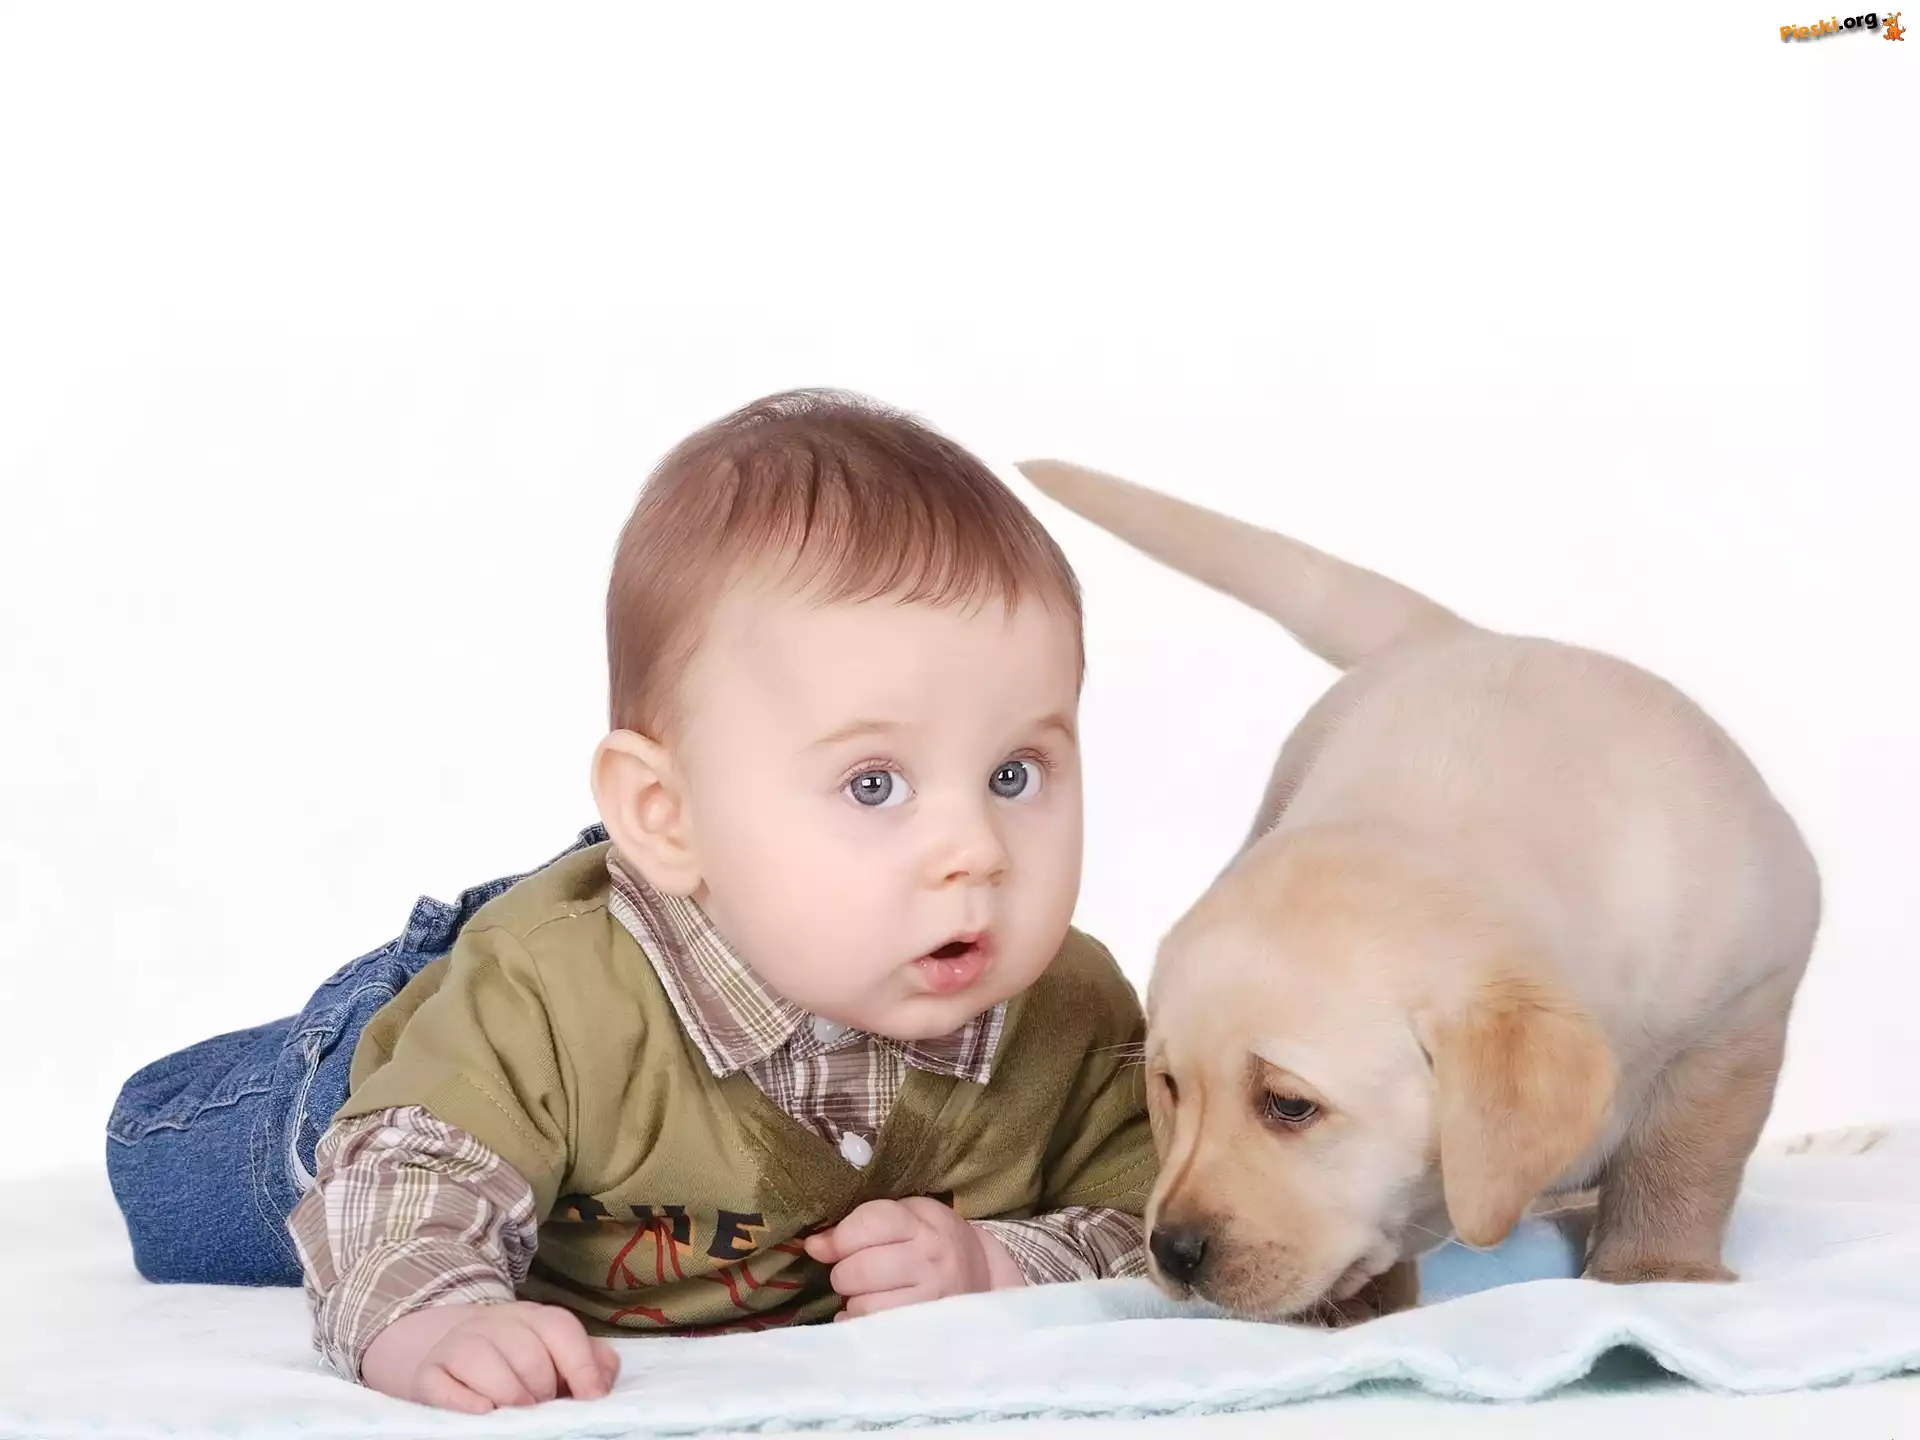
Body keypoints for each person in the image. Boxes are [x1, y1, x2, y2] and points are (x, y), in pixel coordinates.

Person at [106, 389, 1154, 1413]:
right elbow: (405, 1185)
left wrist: (999, 1264)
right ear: (667, 812)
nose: (976, 851)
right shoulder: (553, 1001)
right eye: (874, 784)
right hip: (394, 1083)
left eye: (1014, 774)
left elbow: (1168, 1222)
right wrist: (435, 1319)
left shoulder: (1073, 1013)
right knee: (178, 1183)